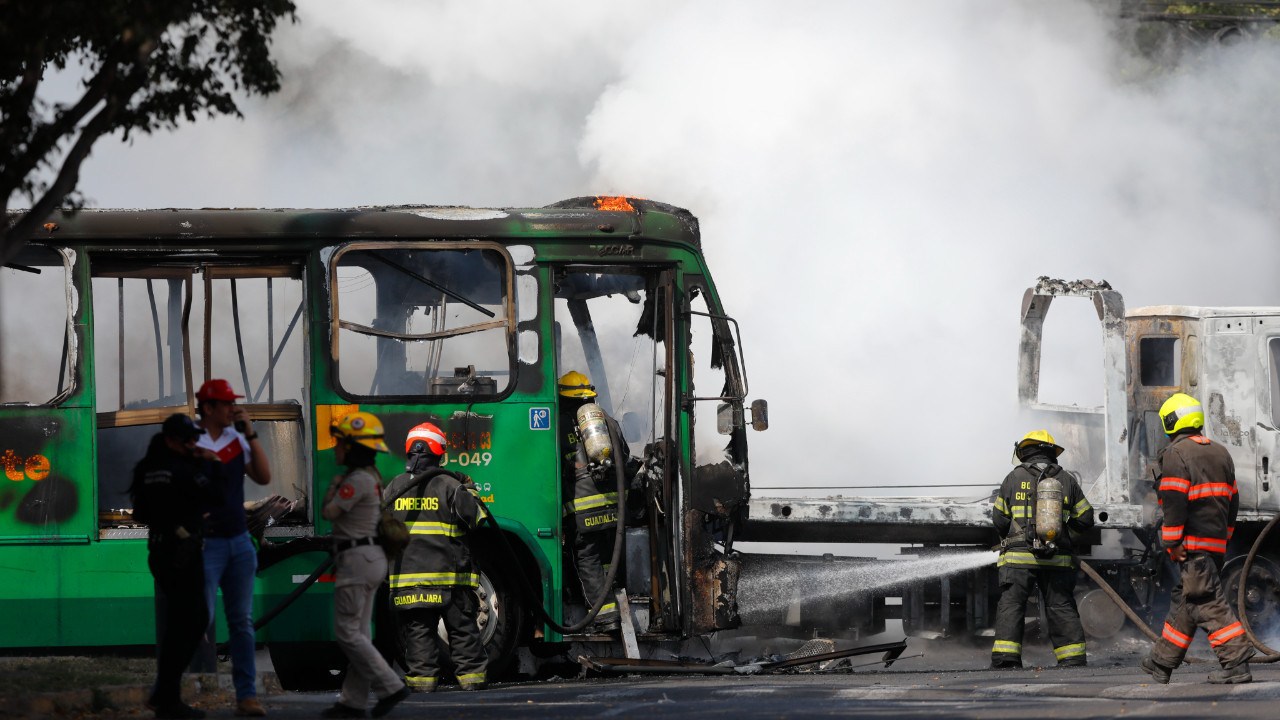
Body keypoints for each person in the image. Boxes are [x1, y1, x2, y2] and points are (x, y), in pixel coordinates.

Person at [1139, 393, 1254, 685]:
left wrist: (1173, 542)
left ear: (1171, 422)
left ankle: (1236, 661)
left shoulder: (1176, 454)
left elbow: (1174, 502)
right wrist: (1225, 537)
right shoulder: (1220, 452)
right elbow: (1233, 501)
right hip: (1214, 545)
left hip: (1191, 544)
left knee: (1205, 601)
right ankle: (1161, 661)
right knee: (1185, 600)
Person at [131, 414, 225, 720]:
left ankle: (166, 695)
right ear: (172, 439)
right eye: (189, 439)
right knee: (194, 621)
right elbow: (217, 495)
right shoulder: (183, 468)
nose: (194, 444)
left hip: (160, 551)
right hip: (182, 552)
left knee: (178, 625)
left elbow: (140, 513)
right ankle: (166, 695)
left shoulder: (147, 467)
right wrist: (213, 463)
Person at [384, 422, 489, 692]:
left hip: (410, 582)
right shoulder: (450, 485)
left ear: (409, 450)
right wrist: (470, 489)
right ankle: (472, 683)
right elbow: (476, 519)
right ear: (439, 451)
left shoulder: (394, 487)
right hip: (450, 580)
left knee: (418, 635)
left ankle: (423, 685)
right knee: (463, 631)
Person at [320, 411, 411, 719]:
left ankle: (390, 686)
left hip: (357, 560)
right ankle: (353, 702)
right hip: (369, 558)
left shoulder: (355, 480)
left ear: (352, 448)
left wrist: (334, 485)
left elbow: (329, 513)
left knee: (347, 632)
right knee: (359, 633)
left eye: (340, 443)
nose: (336, 449)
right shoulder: (369, 476)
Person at [194, 379, 271, 717]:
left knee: (242, 622)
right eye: (227, 404)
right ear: (209, 408)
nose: (233, 409)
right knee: (199, 618)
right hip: (205, 541)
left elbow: (263, 477)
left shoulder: (237, 439)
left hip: (238, 540)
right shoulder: (190, 440)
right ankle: (175, 688)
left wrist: (249, 432)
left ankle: (246, 695)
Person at [991, 430, 1094, 669]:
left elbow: (999, 518)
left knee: (1012, 605)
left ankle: (1007, 659)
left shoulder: (1013, 478)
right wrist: (1065, 537)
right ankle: (1072, 658)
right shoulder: (1066, 480)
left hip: (1017, 559)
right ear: (1051, 453)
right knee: (1061, 606)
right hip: (1057, 558)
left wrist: (1013, 538)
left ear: (1025, 452)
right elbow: (1086, 517)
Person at [557, 370, 627, 634]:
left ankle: (605, 617)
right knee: (607, 556)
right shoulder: (608, 422)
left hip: (581, 509)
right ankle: (616, 600)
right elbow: (624, 456)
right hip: (613, 507)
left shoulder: (558, 425)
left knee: (587, 558)